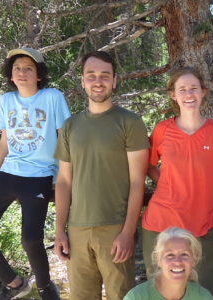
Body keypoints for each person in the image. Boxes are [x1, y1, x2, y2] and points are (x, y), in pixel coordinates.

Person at [0, 47, 69, 300]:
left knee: (31, 239)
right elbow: (4, 144)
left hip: (40, 175)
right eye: (17, 69)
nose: (22, 73)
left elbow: (67, 138)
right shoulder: (6, 101)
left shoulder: (52, 97)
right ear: (11, 76)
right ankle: (15, 283)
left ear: (39, 75)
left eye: (28, 69)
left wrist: (64, 177)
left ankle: (45, 288)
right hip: (9, 173)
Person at [53, 50, 149, 300]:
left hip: (115, 228)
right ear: (83, 81)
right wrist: (60, 230)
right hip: (77, 229)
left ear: (115, 80)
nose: (98, 81)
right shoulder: (70, 126)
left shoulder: (130, 122)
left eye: (105, 75)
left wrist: (128, 232)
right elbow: (63, 181)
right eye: (91, 75)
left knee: (122, 295)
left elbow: (138, 181)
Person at [142, 67, 213, 298]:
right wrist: (166, 181)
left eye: (194, 88)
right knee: (158, 293)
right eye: (182, 89)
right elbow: (147, 165)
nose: (189, 94)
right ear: (173, 95)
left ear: (203, 92)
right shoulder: (162, 129)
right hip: (159, 224)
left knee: (205, 292)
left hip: (201, 228)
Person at [125, 227, 213, 300]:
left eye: (184, 254)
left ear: (194, 260)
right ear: (158, 260)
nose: (178, 262)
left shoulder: (203, 297)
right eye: (170, 255)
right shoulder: (136, 297)